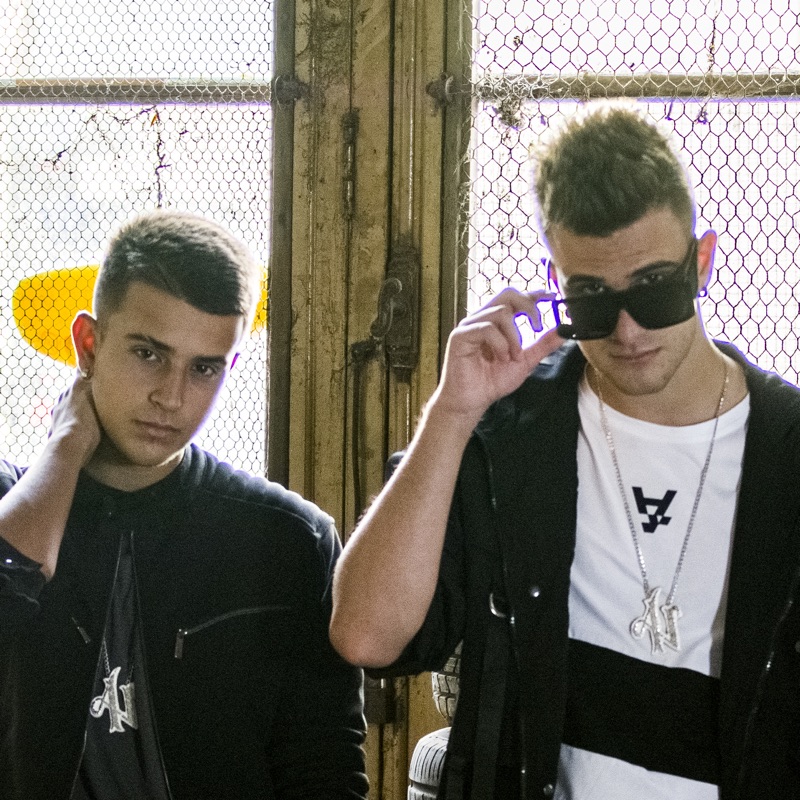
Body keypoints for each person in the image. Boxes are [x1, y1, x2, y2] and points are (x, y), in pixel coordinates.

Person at [329, 102, 800, 799]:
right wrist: (451, 413)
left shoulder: (786, 451)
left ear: (701, 263)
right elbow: (368, 636)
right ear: (556, 287)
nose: (629, 331)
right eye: (593, 301)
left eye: (655, 289)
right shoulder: (509, 435)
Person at [0, 210, 368, 800]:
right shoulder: (14, 509)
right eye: (148, 354)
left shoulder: (286, 538)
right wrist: (65, 447)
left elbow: (324, 772)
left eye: (203, 368)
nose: (171, 397)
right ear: (88, 345)